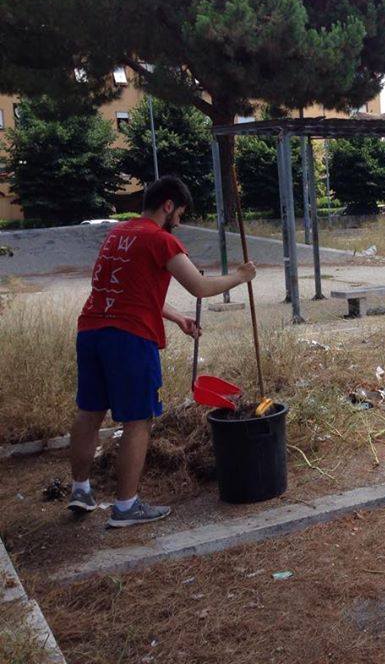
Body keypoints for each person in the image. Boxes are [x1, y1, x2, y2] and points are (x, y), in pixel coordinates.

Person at [68, 176, 257, 527]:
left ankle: (80, 489)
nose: (179, 222)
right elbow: (200, 287)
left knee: (89, 413)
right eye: (180, 213)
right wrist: (240, 276)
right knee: (138, 420)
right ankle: (126, 507)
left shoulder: (117, 234)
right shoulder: (160, 240)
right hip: (129, 340)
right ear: (168, 205)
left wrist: (176, 317)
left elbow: (128, 291)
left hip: (91, 331)